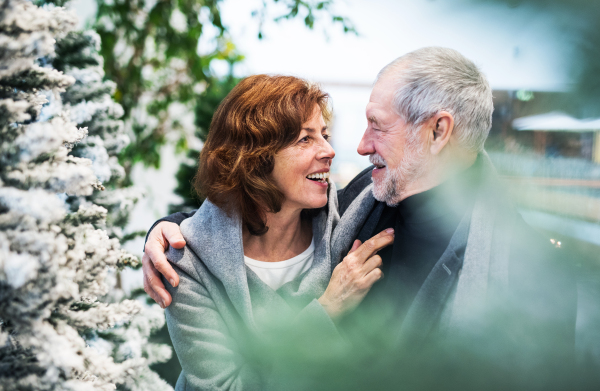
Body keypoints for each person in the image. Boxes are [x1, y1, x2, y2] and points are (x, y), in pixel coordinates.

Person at [144, 48, 576, 358]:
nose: (359, 145)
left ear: (438, 132)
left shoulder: (534, 275)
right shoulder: (358, 203)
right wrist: (172, 229)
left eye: (377, 126)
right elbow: (257, 205)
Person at [157, 74, 395, 391]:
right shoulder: (186, 264)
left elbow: (431, 165)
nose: (329, 150)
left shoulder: (344, 220)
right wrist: (326, 311)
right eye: (305, 139)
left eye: (324, 135)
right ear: (254, 158)